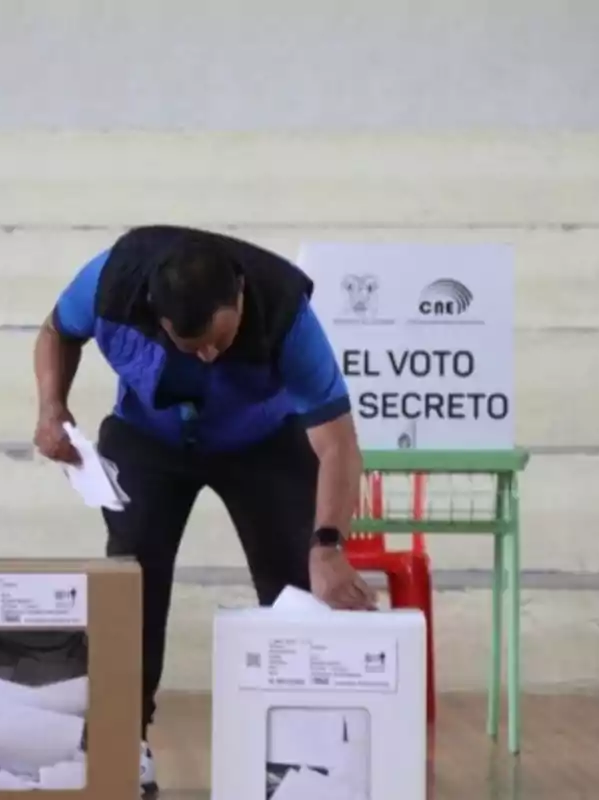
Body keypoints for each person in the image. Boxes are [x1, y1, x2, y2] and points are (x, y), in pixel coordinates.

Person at [32, 225, 376, 794]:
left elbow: (337, 440)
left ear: (239, 295)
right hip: (150, 440)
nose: (211, 354)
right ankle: (126, 743)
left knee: (296, 586)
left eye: (220, 338)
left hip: (260, 442)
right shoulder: (110, 283)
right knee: (132, 585)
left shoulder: (286, 312)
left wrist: (329, 544)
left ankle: (304, 755)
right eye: (193, 347)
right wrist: (51, 407)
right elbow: (55, 332)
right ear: (156, 316)